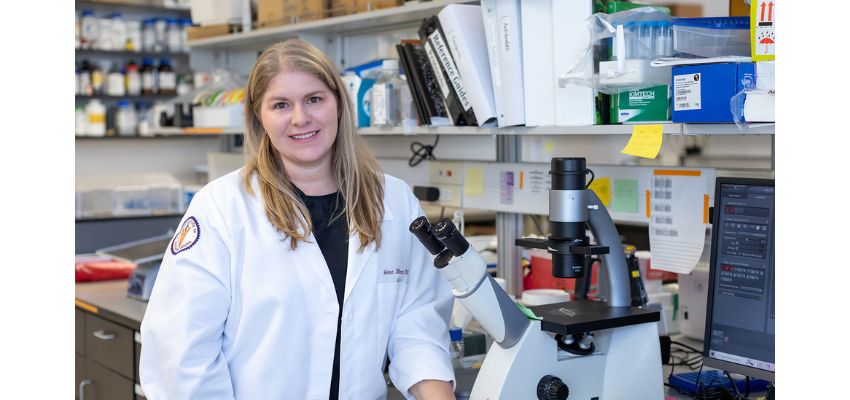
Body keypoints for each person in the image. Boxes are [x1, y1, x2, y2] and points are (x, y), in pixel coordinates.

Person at [140, 39, 456, 400]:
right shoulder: (222, 209)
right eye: (280, 105)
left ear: (339, 104)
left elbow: (416, 324)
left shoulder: (394, 201)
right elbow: (181, 352)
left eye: (314, 99)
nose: (300, 118)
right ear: (259, 116)